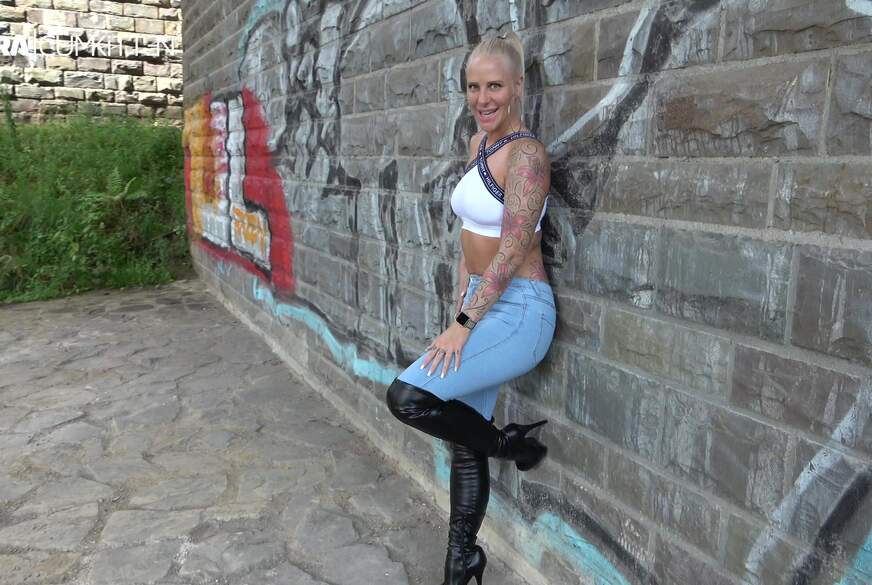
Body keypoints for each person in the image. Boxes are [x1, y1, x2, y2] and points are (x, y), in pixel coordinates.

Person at [385, 31, 556, 585]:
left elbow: (514, 247)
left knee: (408, 397)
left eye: (495, 86)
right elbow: (469, 244)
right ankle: (462, 563)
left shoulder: (526, 156)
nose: (483, 98)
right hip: (481, 306)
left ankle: (509, 444)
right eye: (474, 87)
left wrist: (464, 325)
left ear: (518, 86)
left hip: (521, 311)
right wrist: (459, 311)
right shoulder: (479, 146)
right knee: (463, 437)